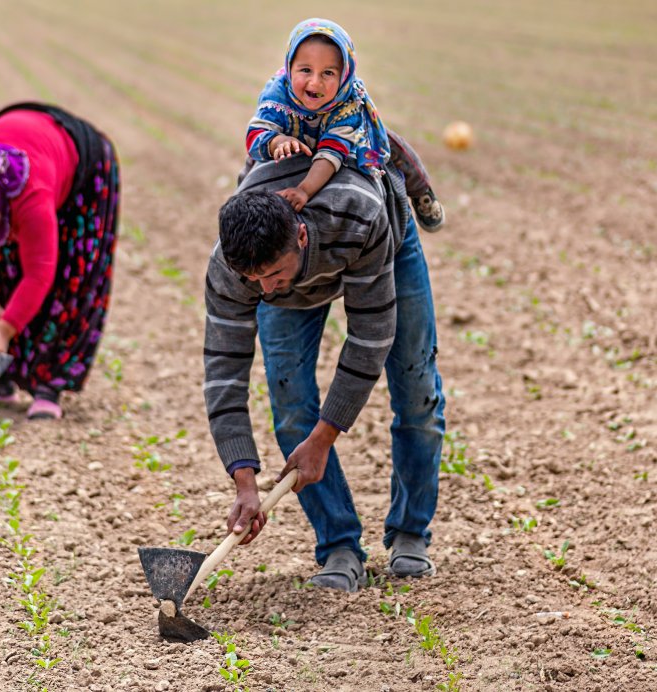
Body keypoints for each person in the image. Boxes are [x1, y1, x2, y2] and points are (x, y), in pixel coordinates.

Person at [203, 154, 445, 591]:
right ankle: (339, 547)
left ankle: (410, 534)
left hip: (382, 240)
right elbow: (224, 370)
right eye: (251, 280)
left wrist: (324, 438)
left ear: (299, 234)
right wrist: (244, 481)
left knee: (416, 390)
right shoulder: (234, 267)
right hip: (306, 267)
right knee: (291, 406)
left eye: (273, 274)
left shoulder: (359, 214)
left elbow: (370, 338)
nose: (264, 290)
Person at [0, 103, 120, 420]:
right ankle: (2, 377)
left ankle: (49, 385)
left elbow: (39, 272)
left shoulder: (30, 192)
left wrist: (7, 328)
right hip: (28, 153)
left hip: (80, 169)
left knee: (69, 275)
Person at [244, 18, 445, 231]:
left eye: (328, 73)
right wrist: (277, 141)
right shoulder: (278, 95)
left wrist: (304, 190)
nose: (315, 82)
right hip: (293, 136)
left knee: (389, 143)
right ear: (289, 67)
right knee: (250, 165)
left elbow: (332, 153)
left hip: (339, 137)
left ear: (344, 76)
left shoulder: (347, 104)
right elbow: (256, 133)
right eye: (305, 70)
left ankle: (421, 190)